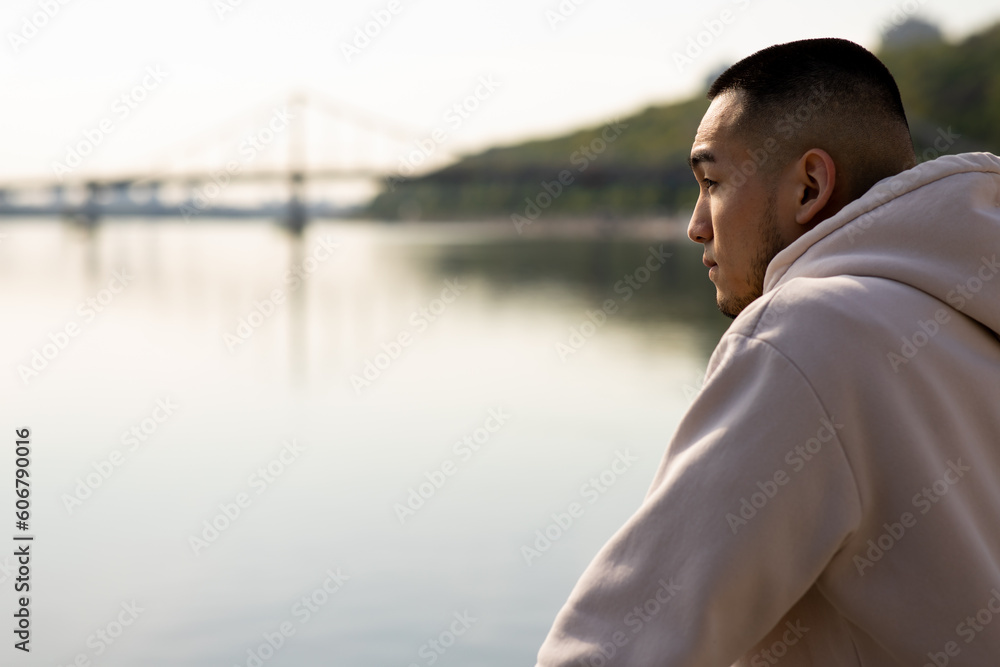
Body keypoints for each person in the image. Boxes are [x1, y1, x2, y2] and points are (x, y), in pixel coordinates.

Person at [535, 37, 1000, 666]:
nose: (696, 225)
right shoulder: (970, 312)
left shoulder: (808, 333)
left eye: (712, 182)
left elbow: (612, 651)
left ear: (809, 187)